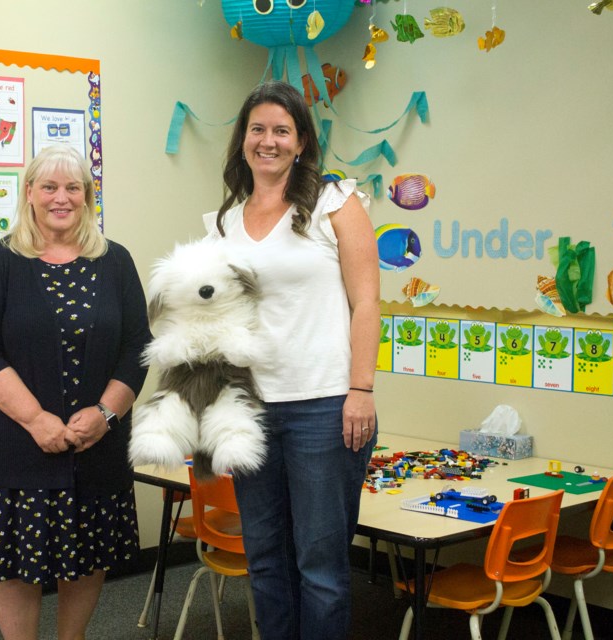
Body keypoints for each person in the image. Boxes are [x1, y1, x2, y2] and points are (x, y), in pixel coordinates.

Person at [203, 80, 380, 639]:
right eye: (258, 129)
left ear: (301, 140)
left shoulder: (335, 203)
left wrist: (362, 390)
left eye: (282, 130)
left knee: (321, 570)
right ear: (243, 139)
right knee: (267, 563)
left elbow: (368, 301)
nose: (269, 141)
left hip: (325, 407)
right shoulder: (223, 221)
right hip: (253, 411)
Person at [0, 144, 152, 640]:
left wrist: (106, 415)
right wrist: (35, 420)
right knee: (13, 566)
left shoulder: (115, 261)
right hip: (17, 448)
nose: (60, 198)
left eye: (73, 188)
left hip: (97, 445)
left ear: (87, 197)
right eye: (49, 187)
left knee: (87, 558)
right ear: (29, 194)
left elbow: (138, 349)